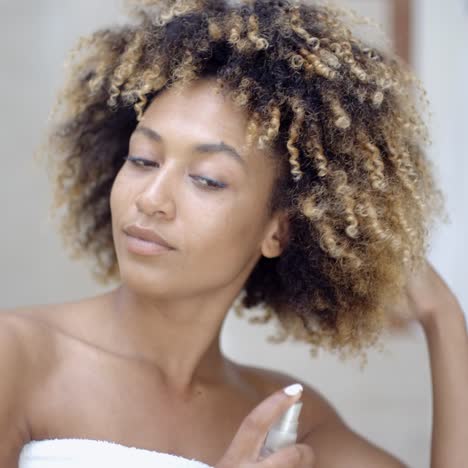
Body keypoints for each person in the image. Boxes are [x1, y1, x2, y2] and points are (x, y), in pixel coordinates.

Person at [1, 0, 467, 467]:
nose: (151, 199)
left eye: (207, 179)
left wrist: (444, 320)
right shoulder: (17, 356)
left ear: (278, 231)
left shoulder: (289, 421)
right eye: (142, 159)